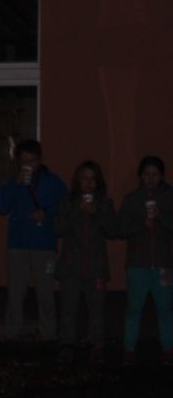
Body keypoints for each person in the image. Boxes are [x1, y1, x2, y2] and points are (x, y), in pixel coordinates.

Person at [0, 139, 68, 341]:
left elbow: (67, 205)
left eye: (33, 161)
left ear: (40, 159)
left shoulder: (52, 181)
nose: (29, 166)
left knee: (46, 294)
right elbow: (0, 207)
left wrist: (47, 213)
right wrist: (15, 184)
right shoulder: (11, 182)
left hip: (44, 246)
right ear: (18, 162)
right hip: (17, 246)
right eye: (24, 161)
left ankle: (48, 334)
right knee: (15, 294)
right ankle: (12, 334)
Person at [54, 161, 117, 364]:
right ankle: (66, 344)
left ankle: (96, 345)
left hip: (96, 266)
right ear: (77, 181)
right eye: (84, 178)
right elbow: (58, 229)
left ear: (98, 181)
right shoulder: (67, 202)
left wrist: (96, 212)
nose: (89, 183)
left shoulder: (105, 203)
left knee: (96, 310)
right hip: (71, 266)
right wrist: (76, 211)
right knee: (68, 309)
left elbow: (113, 230)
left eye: (92, 179)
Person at [116, 155, 173, 365]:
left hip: (163, 264)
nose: (150, 179)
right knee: (134, 308)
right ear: (140, 176)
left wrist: (161, 217)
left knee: (165, 309)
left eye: (155, 174)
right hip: (137, 265)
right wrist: (142, 224)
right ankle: (129, 348)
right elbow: (120, 229)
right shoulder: (132, 200)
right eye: (146, 174)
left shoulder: (169, 198)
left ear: (162, 176)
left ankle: (168, 348)